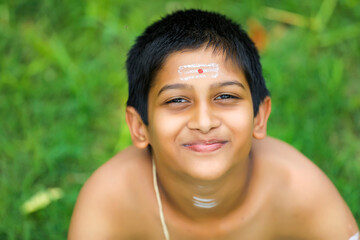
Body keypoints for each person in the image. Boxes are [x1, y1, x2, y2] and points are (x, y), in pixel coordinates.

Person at [68, 9, 358, 240]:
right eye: (177, 101)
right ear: (139, 126)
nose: (204, 122)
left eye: (225, 96)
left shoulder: (299, 191)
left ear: (259, 116)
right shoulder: (110, 201)